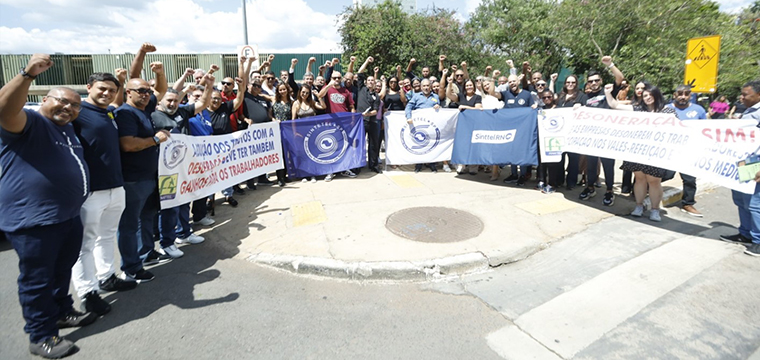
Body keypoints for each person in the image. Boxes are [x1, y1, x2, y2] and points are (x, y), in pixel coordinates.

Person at [1, 54, 97, 359]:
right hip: (34, 220)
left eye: (75, 105)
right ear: (44, 99)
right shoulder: (29, 121)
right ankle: (41, 334)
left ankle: (61, 311)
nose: (68, 108)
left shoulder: (67, 129)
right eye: (62, 101)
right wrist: (28, 73)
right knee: (37, 279)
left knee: (61, 270)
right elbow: (4, 109)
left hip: (67, 215)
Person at [70, 70, 139, 317]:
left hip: (115, 186)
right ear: (89, 87)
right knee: (84, 245)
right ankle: (88, 292)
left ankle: (107, 276)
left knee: (107, 236)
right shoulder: (76, 111)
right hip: (90, 192)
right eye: (102, 89)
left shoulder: (109, 111)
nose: (107, 93)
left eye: (111, 90)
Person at [116, 44, 171, 283]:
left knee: (147, 217)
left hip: (149, 176)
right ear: (128, 92)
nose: (146, 94)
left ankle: (146, 252)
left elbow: (161, 88)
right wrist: (154, 139)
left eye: (147, 92)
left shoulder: (145, 107)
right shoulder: (125, 113)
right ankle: (131, 267)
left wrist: (159, 73)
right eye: (139, 91)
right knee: (129, 225)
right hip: (133, 179)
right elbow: (128, 144)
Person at [151, 76, 214, 260]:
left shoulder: (183, 111)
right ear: (160, 101)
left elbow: (202, 103)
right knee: (169, 207)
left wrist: (209, 86)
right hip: (166, 171)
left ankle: (185, 233)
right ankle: (167, 242)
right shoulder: (154, 116)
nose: (172, 103)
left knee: (185, 200)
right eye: (169, 100)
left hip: (185, 167)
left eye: (176, 100)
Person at [605, 83, 674, 221]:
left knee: (654, 181)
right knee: (640, 179)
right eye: (645, 96)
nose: (647, 97)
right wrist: (608, 92)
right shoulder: (637, 109)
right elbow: (615, 105)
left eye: (649, 94)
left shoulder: (667, 111)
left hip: (656, 152)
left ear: (656, 94)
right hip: (637, 151)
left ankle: (655, 210)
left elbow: (675, 130)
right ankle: (639, 206)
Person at [577, 55, 625, 206]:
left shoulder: (608, 91)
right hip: (591, 137)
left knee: (608, 165)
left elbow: (620, 77)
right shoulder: (585, 96)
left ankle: (610, 191)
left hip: (607, 137)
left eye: (596, 80)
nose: (593, 83)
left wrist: (610, 64)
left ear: (601, 81)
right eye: (590, 81)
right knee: (591, 165)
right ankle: (590, 187)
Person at [721, 80, 760, 257]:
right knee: (741, 200)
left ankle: (758, 241)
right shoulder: (748, 111)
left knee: (755, 204)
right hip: (744, 161)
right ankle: (745, 233)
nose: (741, 98)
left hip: (755, 163)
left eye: (746, 95)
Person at [666, 84, 708, 217]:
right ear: (675, 95)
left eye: (686, 94)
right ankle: (644, 191)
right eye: (680, 93)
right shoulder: (666, 109)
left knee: (689, 179)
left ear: (690, 95)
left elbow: (705, 130)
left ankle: (688, 203)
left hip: (689, 151)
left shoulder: (699, 110)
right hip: (670, 150)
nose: (683, 96)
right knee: (665, 175)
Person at [487, 73, 536, 186]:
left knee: (522, 152)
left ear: (518, 81)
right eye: (510, 82)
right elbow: (492, 92)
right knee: (512, 152)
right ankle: (514, 174)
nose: (512, 83)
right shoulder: (506, 94)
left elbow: (532, 108)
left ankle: (523, 175)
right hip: (509, 130)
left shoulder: (527, 95)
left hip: (523, 130)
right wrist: (493, 78)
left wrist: (534, 108)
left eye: (514, 81)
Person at [317, 69, 358, 181]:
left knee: (344, 147)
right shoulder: (328, 89)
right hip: (331, 123)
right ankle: (331, 171)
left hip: (344, 123)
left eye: (338, 78)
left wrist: (353, 118)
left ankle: (345, 168)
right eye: (334, 78)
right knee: (331, 147)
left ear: (342, 79)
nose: (336, 80)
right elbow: (320, 96)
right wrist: (328, 85)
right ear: (331, 79)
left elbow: (351, 106)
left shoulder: (346, 92)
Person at [405, 78, 442, 173]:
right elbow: (408, 107)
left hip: (432, 125)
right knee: (420, 144)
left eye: (427, 86)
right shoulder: (416, 96)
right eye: (424, 86)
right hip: (420, 125)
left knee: (432, 143)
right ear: (421, 87)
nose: (426, 87)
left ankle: (432, 164)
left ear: (430, 87)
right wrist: (408, 117)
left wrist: (438, 107)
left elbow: (440, 109)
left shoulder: (436, 96)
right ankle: (419, 165)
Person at [356, 56, 384, 173]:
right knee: (359, 145)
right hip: (360, 122)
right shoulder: (361, 88)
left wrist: (368, 114)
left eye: (373, 81)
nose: (371, 82)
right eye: (369, 80)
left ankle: (373, 165)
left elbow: (375, 110)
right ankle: (357, 165)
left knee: (374, 145)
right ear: (366, 82)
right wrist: (367, 61)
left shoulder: (377, 96)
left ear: (375, 83)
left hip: (372, 122)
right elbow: (360, 72)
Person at [448, 78, 482, 175]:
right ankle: (461, 166)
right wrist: (450, 83)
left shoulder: (477, 97)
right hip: (463, 125)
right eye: (467, 85)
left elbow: (478, 109)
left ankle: (473, 167)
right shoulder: (461, 96)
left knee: (473, 145)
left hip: (474, 125)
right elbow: (449, 95)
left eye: (470, 85)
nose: (469, 87)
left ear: (474, 87)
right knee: (462, 145)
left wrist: (465, 107)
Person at [273, 83, 293, 186]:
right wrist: (274, 120)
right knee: (279, 154)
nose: (282, 91)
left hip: (287, 131)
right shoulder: (274, 101)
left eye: (284, 89)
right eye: (280, 90)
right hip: (277, 131)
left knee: (287, 154)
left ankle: (285, 175)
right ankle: (279, 177)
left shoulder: (291, 102)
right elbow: (270, 113)